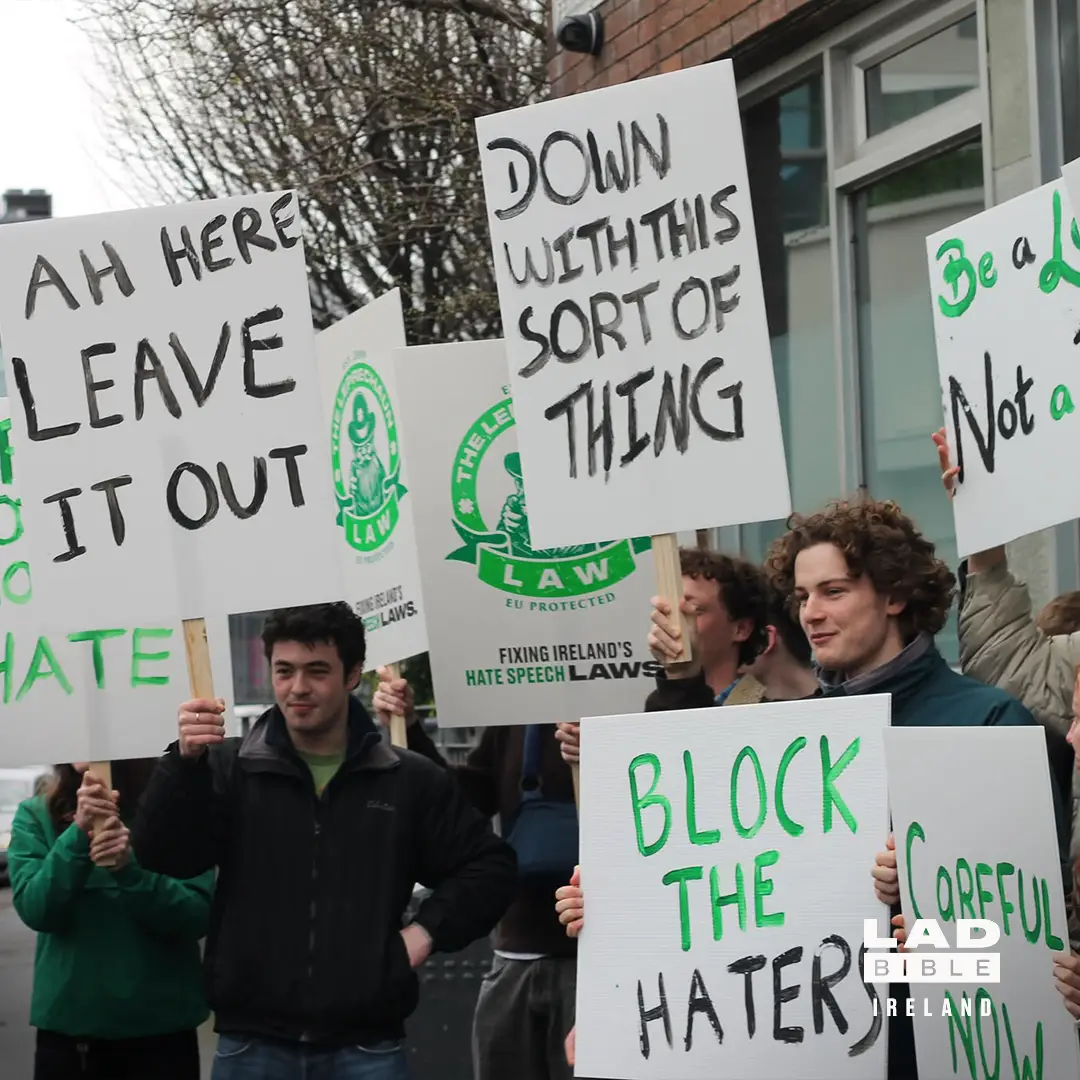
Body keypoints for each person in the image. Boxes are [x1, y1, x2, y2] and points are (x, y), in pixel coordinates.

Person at [132, 602, 516, 1080]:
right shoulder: (229, 767)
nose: (297, 688)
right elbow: (161, 854)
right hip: (251, 1043)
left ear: (353, 674)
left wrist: (422, 935)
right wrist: (182, 764)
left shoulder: (404, 778)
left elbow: (490, 867)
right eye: (284, 670)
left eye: (317, 671)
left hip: (366, 1044)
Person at [372, 668, 581, 1080]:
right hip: (514, 954)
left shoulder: (627, 699)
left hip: (593, 958)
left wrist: (610, 755)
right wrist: (409, 728)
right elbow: (464, 800)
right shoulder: (516, 716)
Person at [9, 760, 212, 1080]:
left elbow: (195, 915)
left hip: (161, 1035)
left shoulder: (176, 810)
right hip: (71, 1037)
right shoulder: (36, 814)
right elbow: (37, 909)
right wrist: (77, 835)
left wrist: (129, 872)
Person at [555, 578, 816, 765]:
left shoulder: (774, 716)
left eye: (693, 611)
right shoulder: (648, 709)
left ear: (741, 629)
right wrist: (600, 757)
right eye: (660, 612)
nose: (670, 625)